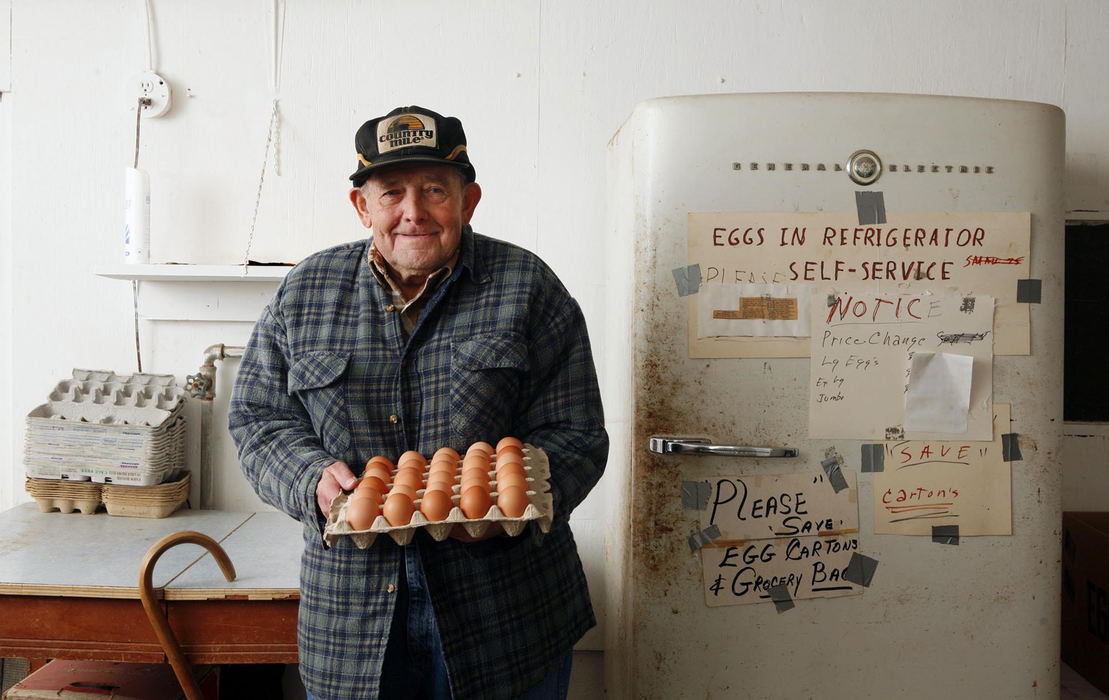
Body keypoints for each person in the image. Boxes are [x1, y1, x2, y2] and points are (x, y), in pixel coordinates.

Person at [229, 105, 608, 700]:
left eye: (435, 189)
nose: (414, 212)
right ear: (362, 206)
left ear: (469, 201)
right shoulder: (305, 293)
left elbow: (578, 432)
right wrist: (311, 480)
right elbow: (257, 419)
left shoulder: (529, 287)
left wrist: (510, 502)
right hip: (352, 622)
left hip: (505, 616)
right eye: (392, 193)